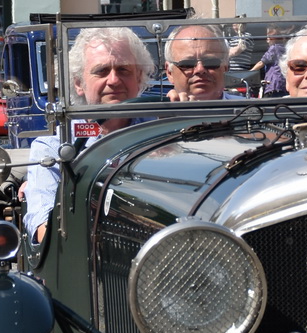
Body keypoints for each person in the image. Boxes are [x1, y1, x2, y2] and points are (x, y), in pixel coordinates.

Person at [24, 26, 155, 242]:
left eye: (123, 70)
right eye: (101, 71)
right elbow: (43, 226)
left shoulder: (164, 133)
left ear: (139, 77)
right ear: (78, 84)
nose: (113, 80)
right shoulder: (52, 147)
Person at [165, 24, 231, 102]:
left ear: (225, 67)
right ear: (169, 72)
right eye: (188, 64)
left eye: (210, 62)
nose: (200, 69)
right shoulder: (153, 112)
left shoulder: (246, 109)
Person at [250, 27, 289, 96]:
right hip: (283, 84)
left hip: (274, 85)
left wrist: (248, 73)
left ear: (273, 38)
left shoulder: (274, 48)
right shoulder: (284, 48)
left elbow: (261, 62)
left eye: (268, 37)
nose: (267, 39)